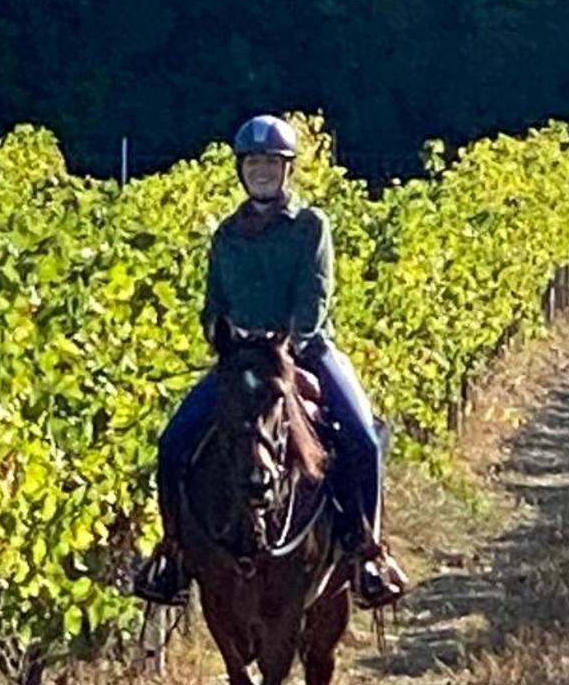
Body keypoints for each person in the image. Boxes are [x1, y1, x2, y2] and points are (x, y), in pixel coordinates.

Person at [135, 114, 409, 610]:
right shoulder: (226, 235)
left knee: (363, 438)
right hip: (242, 360)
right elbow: (213, 301)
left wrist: (292, 339)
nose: (262, 171)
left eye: (271, 163)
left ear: (288, 170)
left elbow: (316, 293)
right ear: (242, 169)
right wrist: (221, 333)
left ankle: (368, 552)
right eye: (253, 162)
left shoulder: (310, 226)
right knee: (173, 443)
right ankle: (173, 554)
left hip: (306, 352)